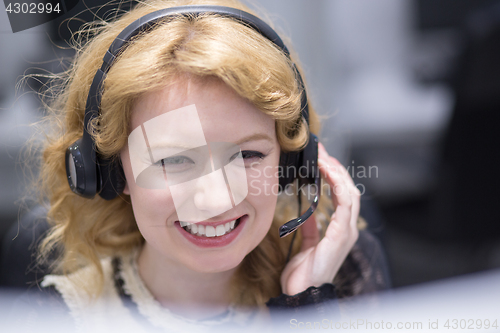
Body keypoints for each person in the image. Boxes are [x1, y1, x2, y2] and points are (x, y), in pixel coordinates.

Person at [24, 0, 390, 330]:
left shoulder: (343, 273)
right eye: (173, 159)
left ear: (292, 162)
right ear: (110, 170)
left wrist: (306, 305)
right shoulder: (59, 316)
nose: (216, 201)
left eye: (248, 156)